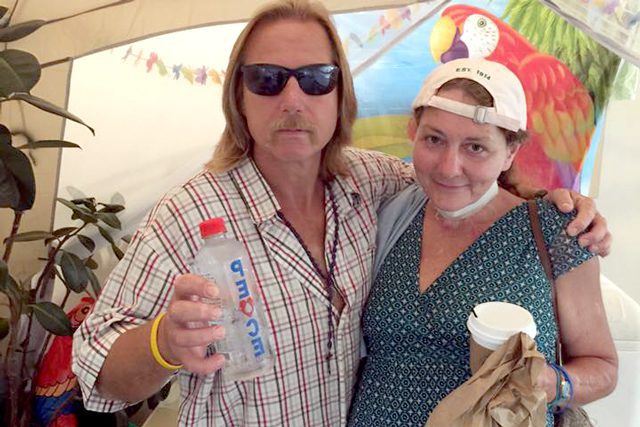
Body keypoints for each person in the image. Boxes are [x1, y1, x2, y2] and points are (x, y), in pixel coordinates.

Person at [72, 1, 611, 426]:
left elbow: (467, 182)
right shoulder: (187, 213)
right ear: (238, 96)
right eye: (266, 78)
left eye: (314, 79)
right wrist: (164, 343)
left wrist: (562, 204)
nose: (291, 99)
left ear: (339, 96)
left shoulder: (370, 186)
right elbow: (97, 372)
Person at [347, 58, 618, 427]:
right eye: (434, 139)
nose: (448, 166)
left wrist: (546, 382)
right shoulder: (389, 214)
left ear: (510, 153)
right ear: (413, 132)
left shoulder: (558, 230)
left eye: (475, 147)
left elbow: (602, 368)